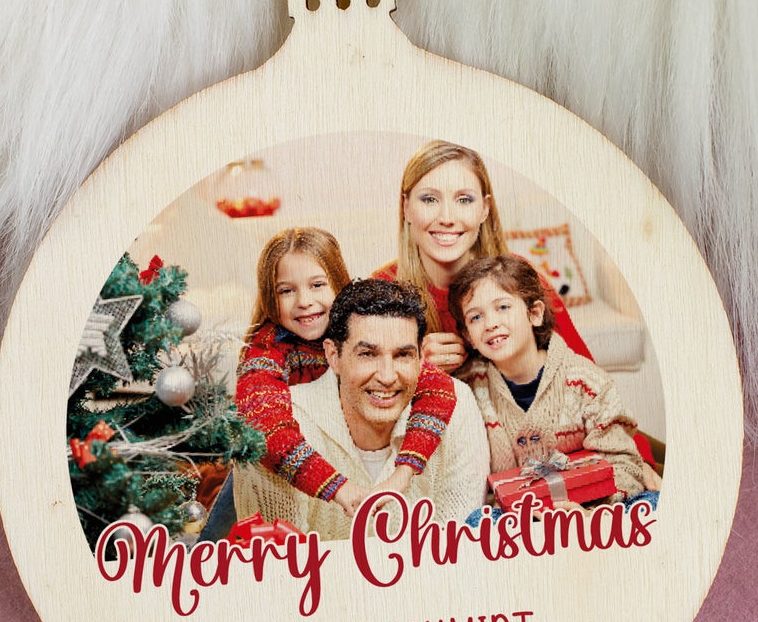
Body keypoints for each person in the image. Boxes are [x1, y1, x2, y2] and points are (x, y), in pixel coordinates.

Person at [202, 228, 457, 536]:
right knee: (217, 542)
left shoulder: (358, 334)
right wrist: (338, 487)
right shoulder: (265, 351)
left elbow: (439, 389)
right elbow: (266, 430)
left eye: (318, 285)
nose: (305, 302)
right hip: (274, 465)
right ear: (270, 296)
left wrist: (406, 469)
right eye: (286, 291)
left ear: (339, 282)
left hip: (333, 458)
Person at [232, 279, 490, 539]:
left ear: (421, 358)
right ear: (333, 356)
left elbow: (459, 557)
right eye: (367, 354)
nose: (388, 376)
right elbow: (279, 568)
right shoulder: (276, 430)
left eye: (403, 355)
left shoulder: (457, 406)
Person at [372, 140, 595, 375]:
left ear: (484, 209)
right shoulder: (381, 291)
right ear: (406, 207)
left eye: (464, 200)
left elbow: (587, 378)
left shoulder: (518, 277)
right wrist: (411, 365)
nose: (447, 217)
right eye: (429, 199)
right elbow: (356, 395)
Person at [449, 255, 661, 500]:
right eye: (476, 317)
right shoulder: (466, 389)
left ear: (535, 314)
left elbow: (624, 464)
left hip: (590, 510)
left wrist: (589, 514)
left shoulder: (585, 381)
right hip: (513, 520)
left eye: (503, 307)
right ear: (468, 336)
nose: (491, 323)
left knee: (650, 501)